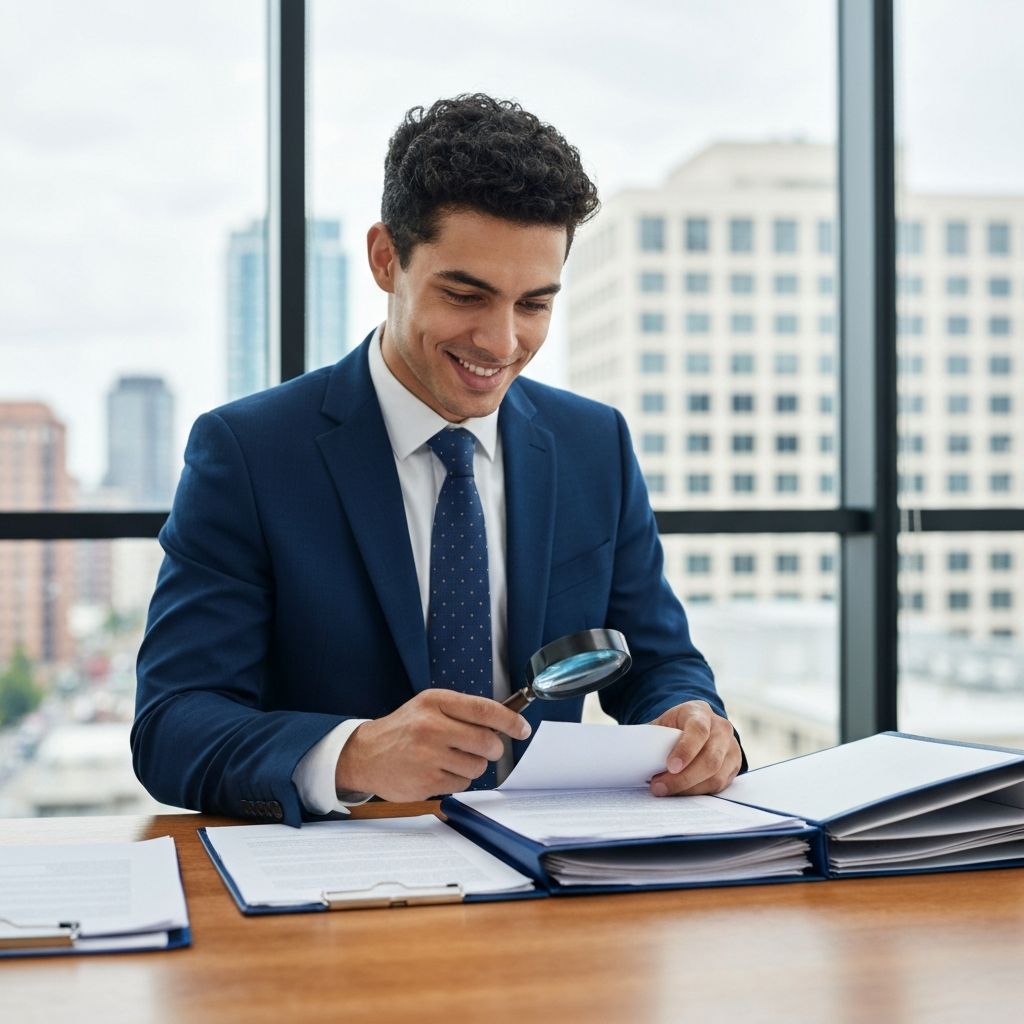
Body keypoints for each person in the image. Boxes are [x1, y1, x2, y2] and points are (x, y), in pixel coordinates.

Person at [132, 94, 744, 826]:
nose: (500, 341)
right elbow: (172, 724)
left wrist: (693, 718)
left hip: (552, 878)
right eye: (465, 294)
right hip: (344, 890)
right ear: (387, 259)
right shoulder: (251, 453)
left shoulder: (594, 445)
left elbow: (656, 659)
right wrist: (355, 753)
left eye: (534, 304)